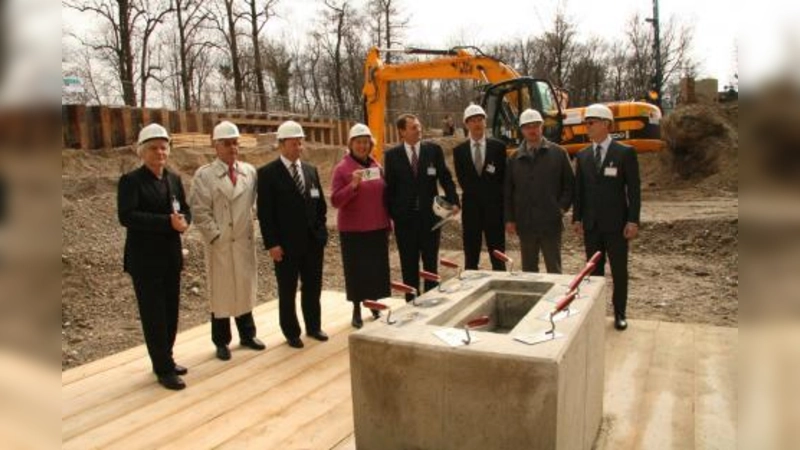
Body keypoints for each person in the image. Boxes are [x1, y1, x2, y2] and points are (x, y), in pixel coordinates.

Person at [117, 123, 191, 390]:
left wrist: (185, 222)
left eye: (163, 147)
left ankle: (166, 358)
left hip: (170, 258)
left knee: (170, 312)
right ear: (142, 152)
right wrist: (166, 224)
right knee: (154, 315)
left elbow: (185, 209)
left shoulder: (172, 179)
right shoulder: (131, 181)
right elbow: (127, 216)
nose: (160, 153)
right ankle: (162, 368)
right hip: (145, 261)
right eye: (153, 148)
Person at [189, 121, 265, 361]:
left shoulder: (249, 172)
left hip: (242, 241)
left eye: (235, 143)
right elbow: (199, 210)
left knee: (243, 288)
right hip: (221, 245)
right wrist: (215, 236)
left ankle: (247, 334)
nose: (233, 148)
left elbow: (255, 202)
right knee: (221, 293)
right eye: (227, 144)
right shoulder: (205, 176)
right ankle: (221, 341)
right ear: (216, 146)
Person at [257, 120, 328, 348]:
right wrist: (272, 244)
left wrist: (321, 233)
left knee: (313, 287)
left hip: (312, 243)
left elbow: (321, 207)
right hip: (285, 246)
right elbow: (265, 213)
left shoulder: (310, 170)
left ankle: (314, 326)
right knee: (287, 291)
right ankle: (291, 332)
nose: (299, 147)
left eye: (300, 143)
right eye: (294, 143)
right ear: (281, 144)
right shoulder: (268, 174)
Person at [572, 104, 641, 331]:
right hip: (591, 225)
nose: (587, 127)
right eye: (586, 123)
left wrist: (633, 220)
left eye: (591, 123)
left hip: (616, 225)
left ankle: (620, 312)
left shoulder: (624, 153)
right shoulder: (582, 156)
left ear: (605, 124)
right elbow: (579, 191)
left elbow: (634, 190)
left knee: (619, 271)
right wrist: (577, 218)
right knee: (593, 273)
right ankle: (595, 313)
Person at [384, 113, 459, 300]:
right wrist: (394, 215)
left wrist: (454, 201)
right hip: (405, 222)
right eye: (413, 127)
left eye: (419, 126)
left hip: (430, 220)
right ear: (402, 131)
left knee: (430, 265)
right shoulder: (392, 156)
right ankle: (411, 304)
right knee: (408, 265)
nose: (419, 130)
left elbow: (446, 178)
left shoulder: (433, 151)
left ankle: (430, 303)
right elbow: (389, 189)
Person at [330, 123, 391, 328]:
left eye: (366, 142)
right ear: (351, 144)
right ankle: (356, 308)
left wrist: (388, 223)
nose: (363, 146)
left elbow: (384, 198)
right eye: (359, 142)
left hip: (377, 227)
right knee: (357, 271)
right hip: (354, 230)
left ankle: (373, 304)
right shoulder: (342, 169)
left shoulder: (376, 167)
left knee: (375, 269)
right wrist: (352, 186)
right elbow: (336, 201)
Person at [505, 109, 574, 273]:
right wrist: (510, 219)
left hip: (551, 223)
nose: (532, 130)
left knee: (554, 269)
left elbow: (570, 186)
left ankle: (556, 299)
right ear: (521, 130)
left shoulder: (559, 154)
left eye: (535, 125)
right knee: (529, 271)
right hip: (526, 223)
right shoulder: (514, 159)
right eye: (527, 127)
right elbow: (508, 192)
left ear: (542, 127)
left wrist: (560, 208)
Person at [452, 104, 507, 270]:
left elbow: (503, 178)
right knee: (471, 256)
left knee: (498, 255)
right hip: (471, 211)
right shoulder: (459, 151)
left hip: (494, 210)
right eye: (473, 121)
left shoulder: (498, 148)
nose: (477, 124)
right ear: (466, 124)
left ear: (485, 123)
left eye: (480, 120)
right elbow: (463, 180)